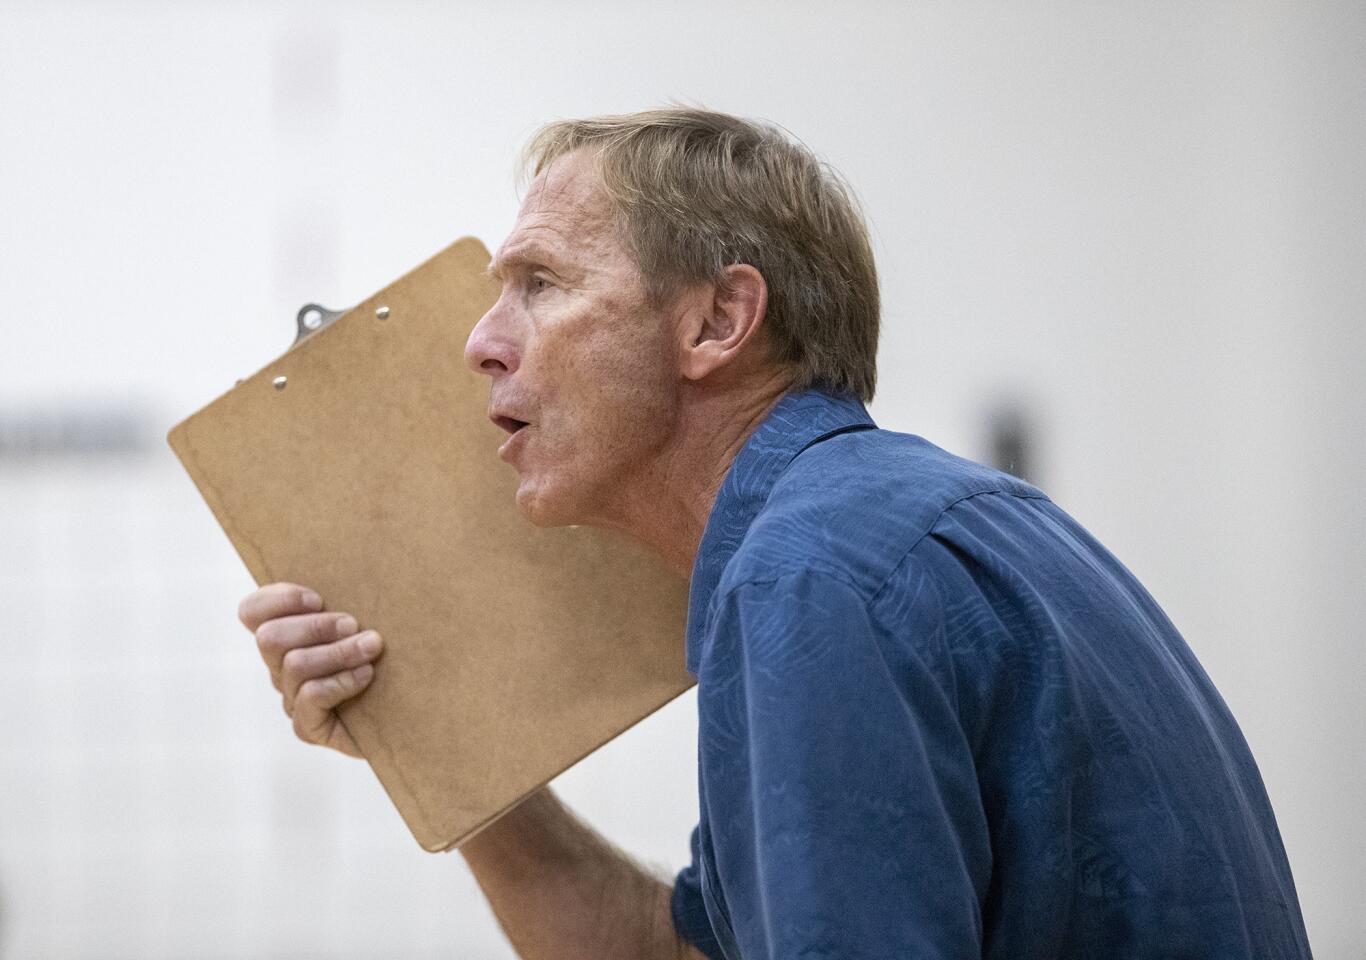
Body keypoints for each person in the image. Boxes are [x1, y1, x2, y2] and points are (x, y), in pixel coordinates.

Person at [236, 108, 1313, 959]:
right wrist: (439, 749)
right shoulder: (882, 522)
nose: (479, 341)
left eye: (541, 284)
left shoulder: (810, 575)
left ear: (716, 322)